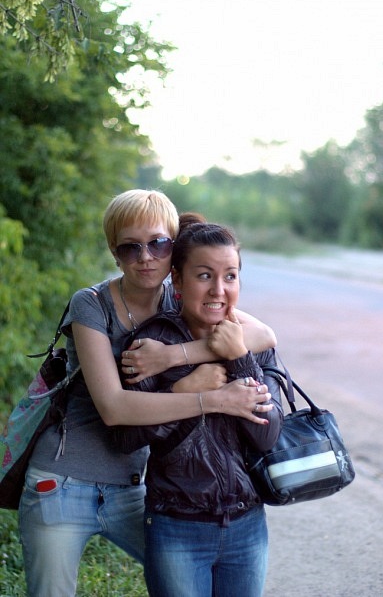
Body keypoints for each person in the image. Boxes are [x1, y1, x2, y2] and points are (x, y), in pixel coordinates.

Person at [18, 189, 276, 597]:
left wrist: (173, 355)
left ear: (174, 247)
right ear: (114, 252)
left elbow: (263, 335)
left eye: (158, 243)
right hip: (64, 482)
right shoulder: (91, 305)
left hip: (133, 488)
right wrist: (205, 395)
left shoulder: (181, 296)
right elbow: (114, 408)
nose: (146, 257)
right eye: (130, 247)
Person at [113, 219, 284, 597]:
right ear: (177, 279)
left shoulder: (253, 343)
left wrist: (239, 358)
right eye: (205, 275)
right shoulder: (150, 344)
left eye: (230, 276)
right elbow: (125, 437)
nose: (218, 290)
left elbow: (268, 435)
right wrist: (181, 391)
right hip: (177, 526)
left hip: (246, 525)